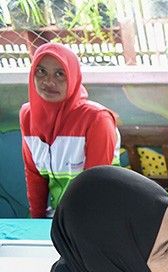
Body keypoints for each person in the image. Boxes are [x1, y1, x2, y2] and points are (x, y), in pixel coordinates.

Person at [20, 43, 120, 218]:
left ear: (73, 76)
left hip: (99, 214)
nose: (49, 82)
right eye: (41, 71)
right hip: (59, 215)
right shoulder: (28, 115)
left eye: (60, 74)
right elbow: (34, 174)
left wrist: (75, 225)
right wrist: (37, 219)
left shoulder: (97, 119)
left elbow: (95, 183)